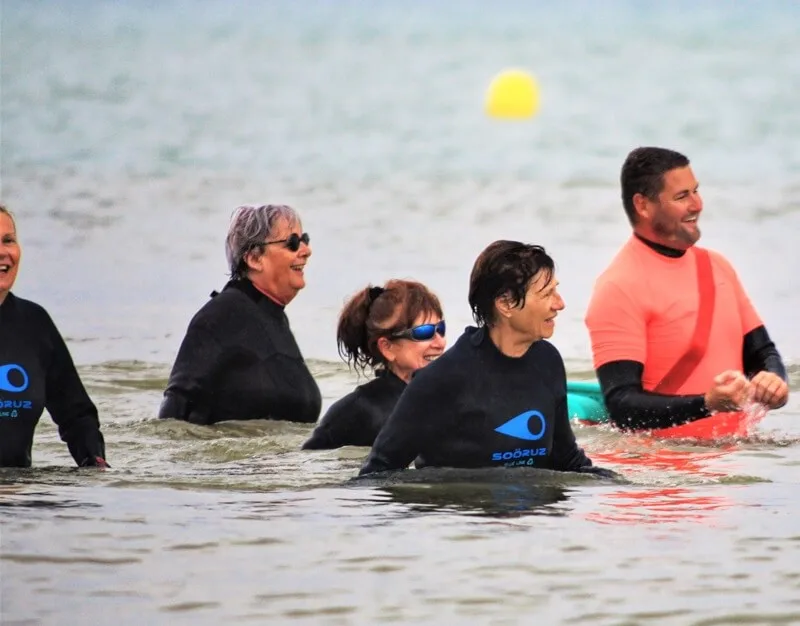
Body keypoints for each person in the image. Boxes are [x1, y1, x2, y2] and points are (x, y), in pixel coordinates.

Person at [359, 240, 613, 477]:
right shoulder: (443, 379)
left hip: (535, 521)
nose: (560, 304)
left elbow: (565, 457)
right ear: (506, 304)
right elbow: (378, 472)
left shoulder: (547, 361)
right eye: (547, 294)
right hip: (466, 519)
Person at [584, 147, 789, 431]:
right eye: (682, 196)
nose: (697, 204)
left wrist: (774, 381)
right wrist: (707, 404)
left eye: (696, 191)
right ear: (643, 205)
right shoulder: (618, 287)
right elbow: (622, 405)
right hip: (665, 466)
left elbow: (763, 353)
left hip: (738, 459)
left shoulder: (717, 266)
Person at [158, 204, 322, 425]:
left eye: (305, 239)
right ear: (254, 258)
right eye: (292, 243)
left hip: (281, 457)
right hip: (235, 459)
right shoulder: (220, 316)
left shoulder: (273, 317)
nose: (305, 250)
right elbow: (173, 417)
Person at [0, 204, 107, 468]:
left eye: (8, 240)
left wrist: (96, 465)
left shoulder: (34, 324)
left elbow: (77, 416)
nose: (3, 252)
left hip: (18, 500)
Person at [302, 280, 446, 450]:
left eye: (441, 329)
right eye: (424, 332)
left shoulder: (447, 396)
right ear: (387, 347)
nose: (440, 342)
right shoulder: (356, 411)